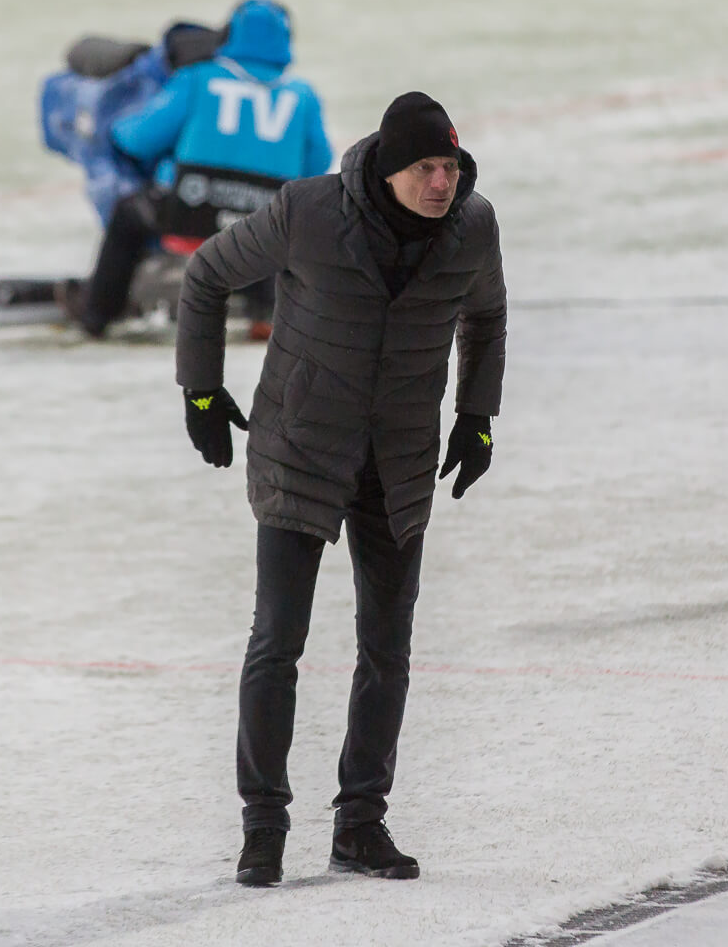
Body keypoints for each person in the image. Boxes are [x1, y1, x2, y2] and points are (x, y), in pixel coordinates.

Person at [175, 91, 506, 887]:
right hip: (300, 449)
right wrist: (201, 390)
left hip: (396, 461)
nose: (443, 183)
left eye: (453, 167)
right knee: (277, 642)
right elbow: (206, 275)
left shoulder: (473, 226)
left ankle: (361, 824)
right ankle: (263, 825)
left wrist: (477, 415)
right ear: (391, 169)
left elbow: (487, 316)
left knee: (386, 648)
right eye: (428, 167)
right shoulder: (309, 213)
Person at [60, 0, 332, 339]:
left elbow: (136, 139)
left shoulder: (199, 78)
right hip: (260, 232)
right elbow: (317, 163)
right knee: (267, 227)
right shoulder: (302, 94)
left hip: (189, 217)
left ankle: (97, 314)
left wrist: (112, 129)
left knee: (128, 217)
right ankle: (265, 313)